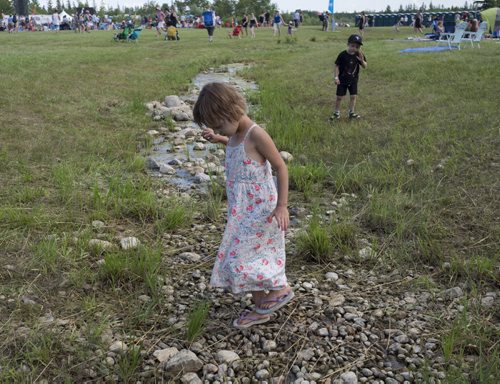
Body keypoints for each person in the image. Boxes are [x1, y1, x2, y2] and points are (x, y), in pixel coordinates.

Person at [193, 82, 293, 330]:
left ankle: (280, 289)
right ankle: (261, 308)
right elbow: (237, 146)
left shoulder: (256, 134)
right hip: (242, 210)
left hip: (261, 210)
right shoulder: (235, 134)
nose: (218, 129)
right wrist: (219, 138)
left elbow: (281, 167)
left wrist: (282, 205)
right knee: (251, 254)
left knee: (241, 257)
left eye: (219, 125)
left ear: (232, 111)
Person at [331, 34, 367, 121]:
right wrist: (336, 77)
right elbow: (336, 66)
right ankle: (336, 113)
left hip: (353, 80)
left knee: (353, 96)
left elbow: (365, 66)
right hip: (342, 80)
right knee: (339, 97)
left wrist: (362, 60)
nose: (354, 48)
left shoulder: (359, 55)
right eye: (352, 46)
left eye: (357, 47)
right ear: (348, 44)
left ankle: (351, 112)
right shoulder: (342, 55)